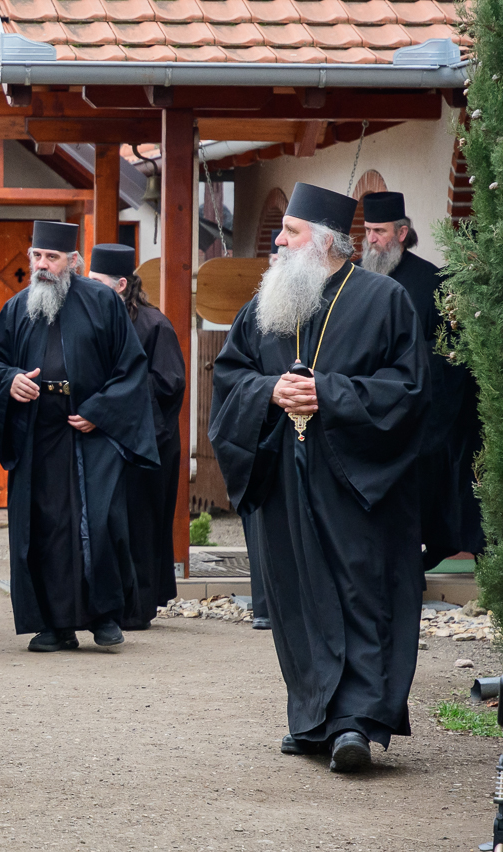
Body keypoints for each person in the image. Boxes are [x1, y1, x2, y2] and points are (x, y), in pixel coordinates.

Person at [209, 182, 429, 773]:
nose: (279, 242)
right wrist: (269, 391)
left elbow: (409, 390)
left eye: (291, 231)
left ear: (326, 241)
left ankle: (355, 722)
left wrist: (326, 393)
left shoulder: (384, 300)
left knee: (359, 594)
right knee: (295, 596)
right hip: (283, 474)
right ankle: (311, 718)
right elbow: (231, 376)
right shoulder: (267, 303)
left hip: (356, 480)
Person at [0, 221, 158, 652]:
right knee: (46, 527)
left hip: (92, 432)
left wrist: (98, 411)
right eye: (36, 256)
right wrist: (11, 381)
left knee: (102, 521)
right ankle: (54, 625)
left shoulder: (102, 302)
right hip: (38, 433)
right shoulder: (16, 308)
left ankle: (104, 617)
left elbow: (131, 368)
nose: (42, 265)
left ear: (72, 261)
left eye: (51, 257)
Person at [360, 191, 484, 570]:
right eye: (367, 230)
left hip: (415, 414)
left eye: (380, 231)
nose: (371, 239)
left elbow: (450, 355)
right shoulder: (356, 280)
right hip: (365, 408)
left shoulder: (431, 281)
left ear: (401, 233)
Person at [88, 244, 184, 630]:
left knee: (141, 526)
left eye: (97, 282)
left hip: (147, 443)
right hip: (106, 439)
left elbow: (168, 384)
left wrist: (112, 399)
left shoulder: (154, 324)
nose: (89, 289)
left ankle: (138, 606)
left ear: (121, 285)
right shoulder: (95, 320)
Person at [245, 231, 281, 632]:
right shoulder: (256, 310)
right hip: (266, 432)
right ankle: (266, 605)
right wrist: (269, 390)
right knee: (264, 522)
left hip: (320, 432)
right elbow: (234, 373)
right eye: (273, 258)